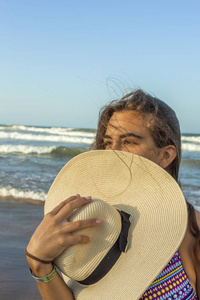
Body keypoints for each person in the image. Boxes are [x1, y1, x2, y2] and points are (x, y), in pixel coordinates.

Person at [25, 89, 200, 299]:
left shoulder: (189, 225)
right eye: (108, 142)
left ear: (166, 155)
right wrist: (40, 265)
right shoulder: (95, 215)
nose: (112, 152)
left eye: (128, 142)